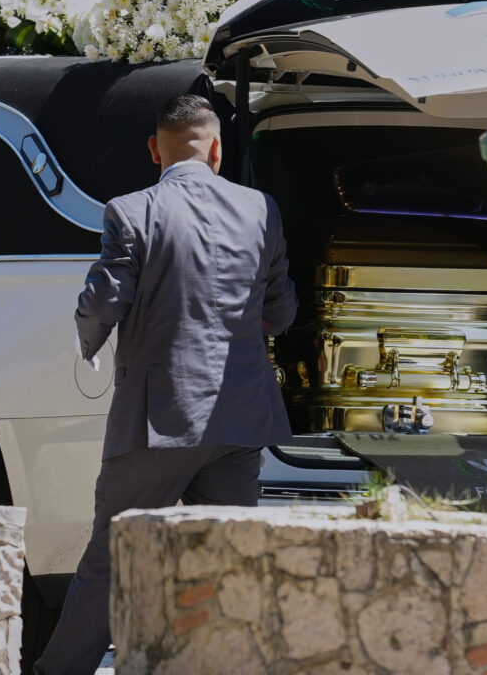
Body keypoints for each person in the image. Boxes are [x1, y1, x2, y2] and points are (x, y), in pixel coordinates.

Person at [34, 94, 297, 675]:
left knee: (113, 562)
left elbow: (104, 302)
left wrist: (90, 340)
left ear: (155, 150)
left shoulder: (131, 211)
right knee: (227, 564)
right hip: (239, 421)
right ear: (218, 150)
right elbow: (280, 312)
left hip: (156, 420)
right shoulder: (261, 210)